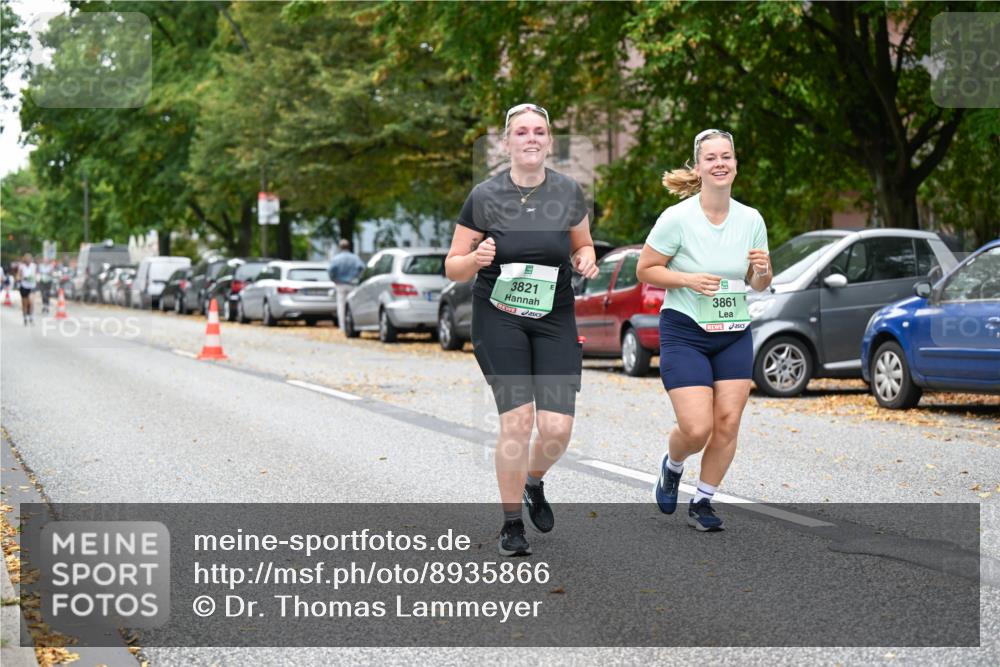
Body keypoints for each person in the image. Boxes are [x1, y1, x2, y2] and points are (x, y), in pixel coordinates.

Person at [445, 103, 599, 557]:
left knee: (556, 429)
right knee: (517, 420)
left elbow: (583, 244)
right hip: (499, 315)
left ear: (549, 141)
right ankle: (512, 524)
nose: (531, 138)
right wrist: (474, 259)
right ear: (506, 143)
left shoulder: (568, 191)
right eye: (522, 132)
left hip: (554, 315)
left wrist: (585, 258)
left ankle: (533, 481)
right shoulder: (484, 196)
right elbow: (453, 266)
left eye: (539, 131)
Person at [636, 129, 771, 532]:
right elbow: (645, 269)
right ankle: (673, 464)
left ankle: (703, 502)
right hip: (685, 331)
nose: (720, 163)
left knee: (727, 422)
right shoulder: (677, 218)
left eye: (726, 156)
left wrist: (763, 270)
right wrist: (688, 280)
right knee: (697, 428)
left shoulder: (751, 219)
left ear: (735, 165)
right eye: (711, 158)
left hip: (733, 330)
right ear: (698, 167)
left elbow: (758, 282)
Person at [327, 239, 365, 330]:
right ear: (349, 246)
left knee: (341, 305)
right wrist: (357, 277)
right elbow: (362, 268)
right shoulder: (355, 258)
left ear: (340, 247)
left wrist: (334, 279)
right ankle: (353, 325)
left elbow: (330, 270)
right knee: (353, 304)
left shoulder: (336, 258)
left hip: (340, 284)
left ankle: (343, 326)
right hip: (352, 284)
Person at [16, 253, 39, 325]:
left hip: (32, 286)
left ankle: (31, 317)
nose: (28, 260)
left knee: (31, 302)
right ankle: (25, 317)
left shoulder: (34, 266)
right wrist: (21, 278)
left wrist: (36, 279)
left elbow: (36, 275)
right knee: (24, 304)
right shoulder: (21, 266)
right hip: (24, 286)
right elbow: (18, 276)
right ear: (25, 260)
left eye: (29, 259)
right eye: (27, 259)